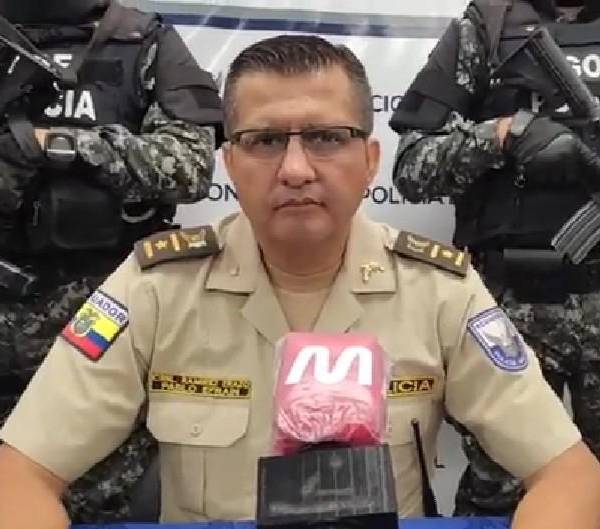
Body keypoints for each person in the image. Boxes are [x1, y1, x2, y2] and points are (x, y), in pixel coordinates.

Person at [0, 34, 599, 529]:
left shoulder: (441, 289)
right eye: (264, 141)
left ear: (370, 160)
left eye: (325, 137)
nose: (294, 169)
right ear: (230, 164)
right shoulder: (155, 286)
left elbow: (569, 474)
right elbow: (20, 474)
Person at [0, 0, 222, 523]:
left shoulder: (138, 41)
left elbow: (190, 164)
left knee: (105, 505)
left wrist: (58, 146)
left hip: (104, 324)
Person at [389, 0, 600, 517]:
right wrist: (507, 136)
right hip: (509, 313)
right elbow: (412, 167)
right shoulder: (492, 27)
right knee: (498, 493)